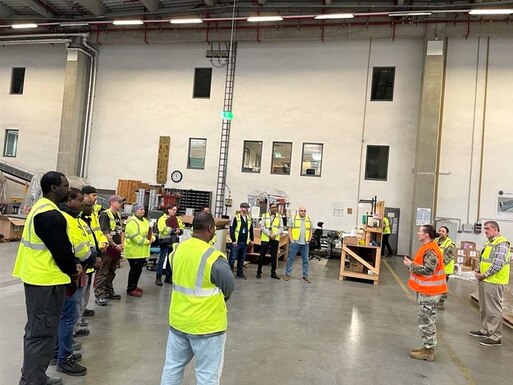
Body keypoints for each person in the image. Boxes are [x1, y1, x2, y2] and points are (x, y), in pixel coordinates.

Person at [12, 171, 78, 385]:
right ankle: (33, 381)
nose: (68, 190)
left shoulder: (40, 208)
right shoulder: (50, 215)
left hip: (35, 278)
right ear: (53, 188)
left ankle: (32, 375)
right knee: (42, 333)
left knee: (35, 330)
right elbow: (62, 251)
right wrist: (73, 269)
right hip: (46, 281)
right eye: (65, 186)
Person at [160, 212, 234, 385]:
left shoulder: (177, 249)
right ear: (210, 229)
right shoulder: (214, 257)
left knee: (172, 367)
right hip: (207, 327)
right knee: (207, 375)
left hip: (179, 321)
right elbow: (229, 287)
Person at [54, 188, 95, 376]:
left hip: (77, 269)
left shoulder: (74, 217)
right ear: (69, 200)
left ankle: (58, 352)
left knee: (65, 316)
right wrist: (91, 257)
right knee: (68, 317)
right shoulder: (66, 219)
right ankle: (64, 357)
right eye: (80, 200)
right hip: (72, 273)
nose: (82, 203)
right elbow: (76, 248)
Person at [403, 225, 447, 362]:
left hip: (430, 292)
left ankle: (428, 351)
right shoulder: (427, 247)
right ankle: (427, 347)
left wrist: (410, 265)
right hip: (426, 291)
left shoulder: (431, 250)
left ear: (427, 234)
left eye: (420, 231)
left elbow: (429, 270)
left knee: (427, 321)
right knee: (425, 319)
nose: (418, 233)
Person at [469, 221, 510, 347]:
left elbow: (498, 264)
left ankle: (495, 336)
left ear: (496, 229)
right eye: (485, 229)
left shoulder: (502, 243)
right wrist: (479, 271)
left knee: (493, 309)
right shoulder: (489, 243)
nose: (485, 231)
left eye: (488, 229)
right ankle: (486, 330)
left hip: (494, 280)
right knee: (485, 307)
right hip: (485, 279)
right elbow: (485, 260)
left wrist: (484, 275)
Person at [94, 195, 125, 305]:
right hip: (108, 248)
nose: (121, 204)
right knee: (103, 271)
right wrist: (114, 245)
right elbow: (105, 232)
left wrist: (121, 244)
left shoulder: (119, 215)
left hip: (116, 248)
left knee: (112, 270)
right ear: (112, 202)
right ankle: (99, 294)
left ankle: (108, 290)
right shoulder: (105, 214)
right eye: (119, 201)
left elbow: (121, 231)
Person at [124, 203, 155, 297]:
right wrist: (147, 242)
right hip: (134, 251)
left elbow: (150, 232)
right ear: (135, 210)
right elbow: (135, 237)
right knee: (134, 270)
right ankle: (130, 289)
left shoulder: (145, 221)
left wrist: (153, 238)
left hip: (142, 251)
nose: (143, 210)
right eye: (140, 209)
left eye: (143, 209)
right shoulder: (132, 221)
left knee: (138, 270)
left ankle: (134, 286)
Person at [156, 206, 184, 286]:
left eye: (176, 210)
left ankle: (168, 277)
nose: (174, 211)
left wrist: (180, 231)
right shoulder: (162, 219)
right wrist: (174, 230)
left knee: (170, 260)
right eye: (173, 209)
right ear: (168, 210)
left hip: (173, 242)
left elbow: (181, 227)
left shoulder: (177, 219)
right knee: (161, 259)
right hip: (165, 241)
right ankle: (158, 277)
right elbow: (162, 229)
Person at [284, 206, 312, 283]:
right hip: (295, 242)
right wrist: (292, 240)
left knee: (306, 260)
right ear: (298, 211)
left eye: (304, 211)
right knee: (290, 259)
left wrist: (309, 240)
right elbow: (289, 230)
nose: (303, 212)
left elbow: (310, 230)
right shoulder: (293, 219)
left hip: (305, 243)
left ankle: (305, 276)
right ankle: (287, 274)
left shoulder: (308, 219)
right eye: (302, 210)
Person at [256, 203, 283, 279]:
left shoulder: (279, 217)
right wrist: (269, 234)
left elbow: (281, 228)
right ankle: (259, 272)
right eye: (273, 207)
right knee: (262, 256)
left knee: (274, 256)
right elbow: (262, 227)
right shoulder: (264, 216)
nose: (274, 209)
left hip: (275, 239)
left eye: (275, 207)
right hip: (265, 238)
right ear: (270, 208)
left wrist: (274, 234)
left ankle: (273, 273)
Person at [229, 202, 254, 279]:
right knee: (233, 258)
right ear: (241, 208)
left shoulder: (249, 218)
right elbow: (232, 229)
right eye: (244, 208)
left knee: (242, 259)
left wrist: (252, 240)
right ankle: (229, 274)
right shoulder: (236, 217)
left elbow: (251, 230)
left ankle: (239, 273)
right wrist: (233, 240)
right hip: (236, 242)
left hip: (245, 242)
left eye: (247, 208)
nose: (246, 209)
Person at [435, 226, 455, 310]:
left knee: (442, 285)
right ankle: (434, 300)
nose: (441, 232)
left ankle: (441, 302)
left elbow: (447, 258)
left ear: (447, 233)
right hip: (435, 267)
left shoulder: (450, 244)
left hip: (445, 268)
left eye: (443, 231)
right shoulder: (436, 241)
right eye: (440, 231)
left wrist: (437, 266)